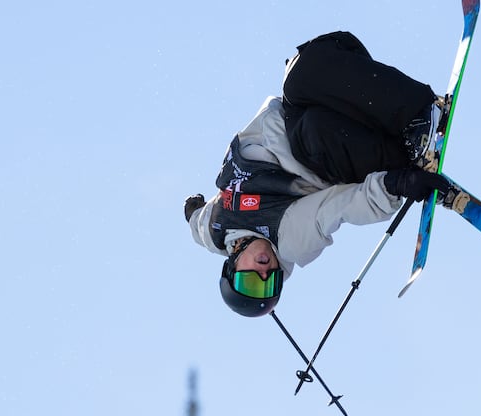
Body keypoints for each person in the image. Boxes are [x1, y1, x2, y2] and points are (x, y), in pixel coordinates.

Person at [184, 31, 452, 318]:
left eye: (250, 281)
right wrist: (397, 184)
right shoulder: (289, 237)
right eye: (270, 283)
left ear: (232, 266)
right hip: (346, 150)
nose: (264, 273)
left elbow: (197, 224)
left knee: (300, 71)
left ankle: (416, 112)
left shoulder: (213, 227)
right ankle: (415, 126)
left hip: (341, 99)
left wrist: (192, 211)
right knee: (309, 124)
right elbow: (338, 208)